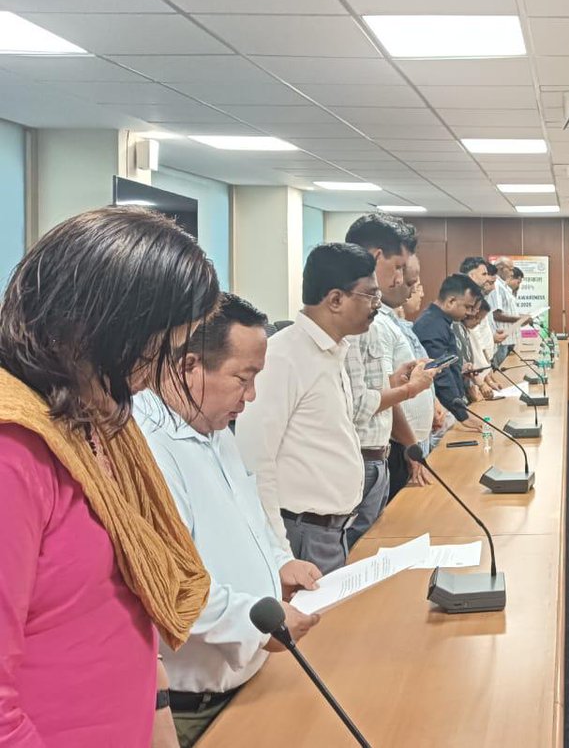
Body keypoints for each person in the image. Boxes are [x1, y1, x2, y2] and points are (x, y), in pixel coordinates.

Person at [0, 207, 217, 747]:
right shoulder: (14, 450)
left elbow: (126, 606)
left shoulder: (93, 421)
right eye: (157, 350)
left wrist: (160, 718)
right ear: (99, 327)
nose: (151, 376)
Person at [134, 294, 323, 746]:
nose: (252, 395)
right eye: (244, 378)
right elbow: (172, 586)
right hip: (192, 707)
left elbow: (247, 515)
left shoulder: (213, 427)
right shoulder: (147, 447)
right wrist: (258, 626)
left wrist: (279, 561)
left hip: (251, 679)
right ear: (189, 367)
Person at [236, 242, 379, 574]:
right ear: (335, 299)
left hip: (331, 531)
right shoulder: (281, 358)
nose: (377, 306)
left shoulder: (332, 353)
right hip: (300, 536)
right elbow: (254, 464)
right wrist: (281, 555)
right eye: (370, 296)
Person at [343, 215, 435, 547]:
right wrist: (406, 390)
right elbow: (356, 404)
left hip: (378, 454)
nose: (399, 281)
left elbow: (369, 389)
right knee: (359, 552)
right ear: (376, 256)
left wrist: (394, 384)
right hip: (363, 457)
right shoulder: (359, 321)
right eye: (398, 269)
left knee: (373, 547)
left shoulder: (375, 318)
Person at [382, 258, 439, 497]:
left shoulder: (395, 324)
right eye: (411, 283)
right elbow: (382, 397)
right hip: (396, 446)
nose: (416, 290)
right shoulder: (378, 326)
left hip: (411, 441)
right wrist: (410, 445)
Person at [413, 274, 485, 429]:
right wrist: (462, 415)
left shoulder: (441, 321)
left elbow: (447, 363)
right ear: (451, 301)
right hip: (441, 409)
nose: (471, 313)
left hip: (450, 404)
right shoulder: (431, 325)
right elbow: (440, 373)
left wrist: (459, 369)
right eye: (467, 307)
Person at [489, 258, 531, 367]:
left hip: (508, 340)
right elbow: (496, 315)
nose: (512, 273)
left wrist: (522, 317)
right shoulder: (496, 285)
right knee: (501, 378)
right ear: (500, 268)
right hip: (501, 341)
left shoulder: (504, 287)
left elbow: (508, 311)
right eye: (510, 269)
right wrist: (520, 320)